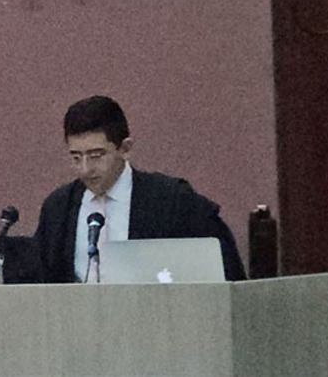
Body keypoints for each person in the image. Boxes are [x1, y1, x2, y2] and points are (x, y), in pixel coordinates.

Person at [33, 95, 246, 283]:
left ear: (125, 149)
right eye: (76, 158)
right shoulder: (58, 208)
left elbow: (225, 272)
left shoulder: (172, 201)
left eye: (96, 156)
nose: (86, 169)